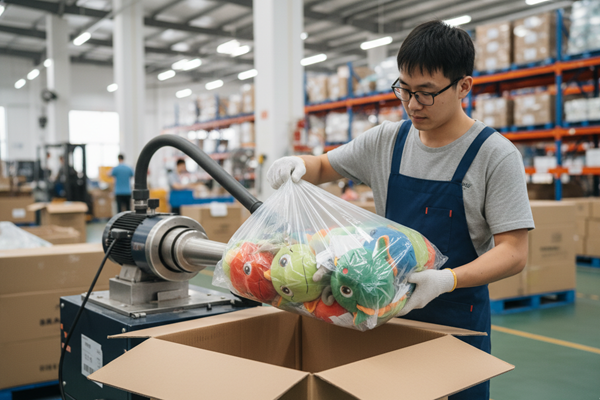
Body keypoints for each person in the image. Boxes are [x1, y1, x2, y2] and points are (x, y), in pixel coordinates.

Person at [267, 20, 534, 400]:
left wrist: (447, 280)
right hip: (380, 314)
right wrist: (298, 164)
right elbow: (325, 166)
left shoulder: (495, 155)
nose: (412, 104)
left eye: (426, 93)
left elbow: (514, 252)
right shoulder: (387, 140)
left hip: (455, 323)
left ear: (463, 86)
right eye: (404, 89)